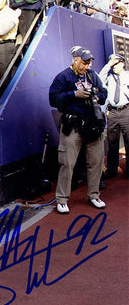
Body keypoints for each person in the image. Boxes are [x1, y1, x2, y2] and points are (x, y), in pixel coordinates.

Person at [49, 46, 108, 214]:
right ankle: (61, 199)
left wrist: (95, 94)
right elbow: (53, 100)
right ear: (75, 60)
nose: (87, 66)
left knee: (96, 162)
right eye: (84, 62)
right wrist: (75, 95)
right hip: (73, 125)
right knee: (67, 163)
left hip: (92, 124)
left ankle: (94, 195)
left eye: (89, 63)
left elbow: (104, 93)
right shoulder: (63, 77)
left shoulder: (93, 75)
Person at [99, 54, 129, 179]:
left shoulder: (127, 76)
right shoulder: (109, 78)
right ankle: (112, 170)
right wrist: (108, 65)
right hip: (113, 113)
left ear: (122, 64)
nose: (114, 66)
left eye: (116, 63)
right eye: (113, 64)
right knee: (112, 143)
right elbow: (99, 79)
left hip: (126, 111)